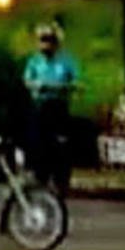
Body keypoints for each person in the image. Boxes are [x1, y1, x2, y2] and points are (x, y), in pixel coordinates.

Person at [23, 23, 78, 193]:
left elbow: (76, 81)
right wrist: (37, 85)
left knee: (60, 145)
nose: (46, 44)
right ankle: (41, 179)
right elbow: (27, 80)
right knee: (40, 144)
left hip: (58, 107)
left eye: (49, 40)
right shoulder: (34, 61)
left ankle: (61, 181)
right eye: (43, 40)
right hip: (40, 107)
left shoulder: (66, 60)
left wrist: (61, 87)